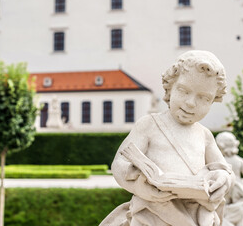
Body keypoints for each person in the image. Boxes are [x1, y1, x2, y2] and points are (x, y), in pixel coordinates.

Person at [100, 50, 235, 226]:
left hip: (196, 216)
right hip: (153, 213)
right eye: (184, 91)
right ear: (170, 87)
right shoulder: (149, 124)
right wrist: (141, 188)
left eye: (203, 98)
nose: (190, 102)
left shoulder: (205, 135)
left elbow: (225, 170)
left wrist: (223, 180)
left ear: (213, 101)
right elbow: (119, 164)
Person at [216, 132, 243, 226]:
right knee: (240, 212)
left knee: (223, 208)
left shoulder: (220, 160)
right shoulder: (239, 160)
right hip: (238, 188)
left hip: (224, 187)